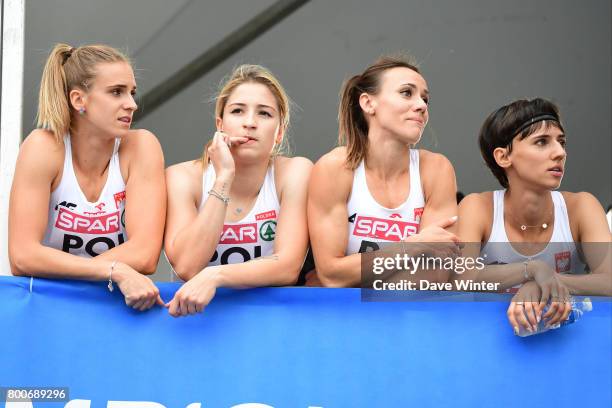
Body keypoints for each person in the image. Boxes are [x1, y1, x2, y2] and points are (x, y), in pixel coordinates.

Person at [8, 43, 166, 311]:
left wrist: (75, 277)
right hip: (48, 310)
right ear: (79, 100)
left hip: (111, 308)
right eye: (116, 92)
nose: (132, 104)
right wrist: (115, 270)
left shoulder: (142, 146)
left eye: (132, 92)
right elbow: (22, 256)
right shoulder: (43, 147)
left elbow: (146, 254)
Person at [164, 64, 312, 317]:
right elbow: (187, 266)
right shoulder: (182, 177)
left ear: (280, 132)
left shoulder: (296, 171)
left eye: (264, 114)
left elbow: (287, 266)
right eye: (237, 111)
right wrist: (224, 177)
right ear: (220, 124)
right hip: (199, 324)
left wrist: (217, 275)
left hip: (269, 321)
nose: (250, 123)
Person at [457, 98, 612, 334]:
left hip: (567, 351)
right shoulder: (477, 207)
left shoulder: (582, 206)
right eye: (541, 142)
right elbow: (462, 277)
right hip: (488, 349)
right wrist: (532, 269)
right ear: (503, 157)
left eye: (561, 142)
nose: (560, 152)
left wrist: (543, 284)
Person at [307, 55, 460, 288]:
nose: (421, 105)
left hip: (408, 317)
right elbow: (332, 275)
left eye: (425, 99)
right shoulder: (335, 167)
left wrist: (355, 276)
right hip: (344, 319)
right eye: (407, 93)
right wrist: (413, 247)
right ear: (368, 103)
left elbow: (434, 276)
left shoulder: (437, 169)